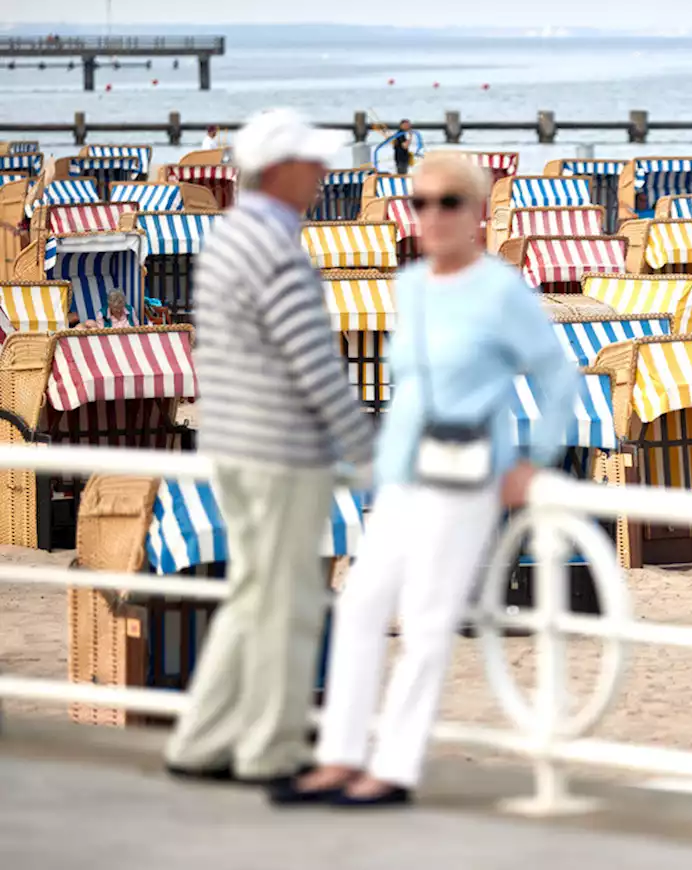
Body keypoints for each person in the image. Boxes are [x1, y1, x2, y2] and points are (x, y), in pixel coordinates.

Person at [269, 152, 579, 808]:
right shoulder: (409, 287)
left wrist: (535, 460)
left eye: (449, 203)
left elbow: (558, 378)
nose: (432, 216)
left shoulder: (501, 291)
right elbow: (407, 389)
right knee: (358, 606)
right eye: (420, 203)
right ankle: (340, 759)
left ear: (478, 214)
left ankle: (392, 769)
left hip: (469, 476)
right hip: (404, 477)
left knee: (427, 625)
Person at [164, 108, 375, 787]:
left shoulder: (226, 237)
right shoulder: (277, 247)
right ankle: (268, 750)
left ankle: (200, 739)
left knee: (253, 597)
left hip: (232, 445)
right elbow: (314, 364)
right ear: (280, 170)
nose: (322, 176)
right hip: (281, 452)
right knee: (286, 604)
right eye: (312, 164)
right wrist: (364, 447)